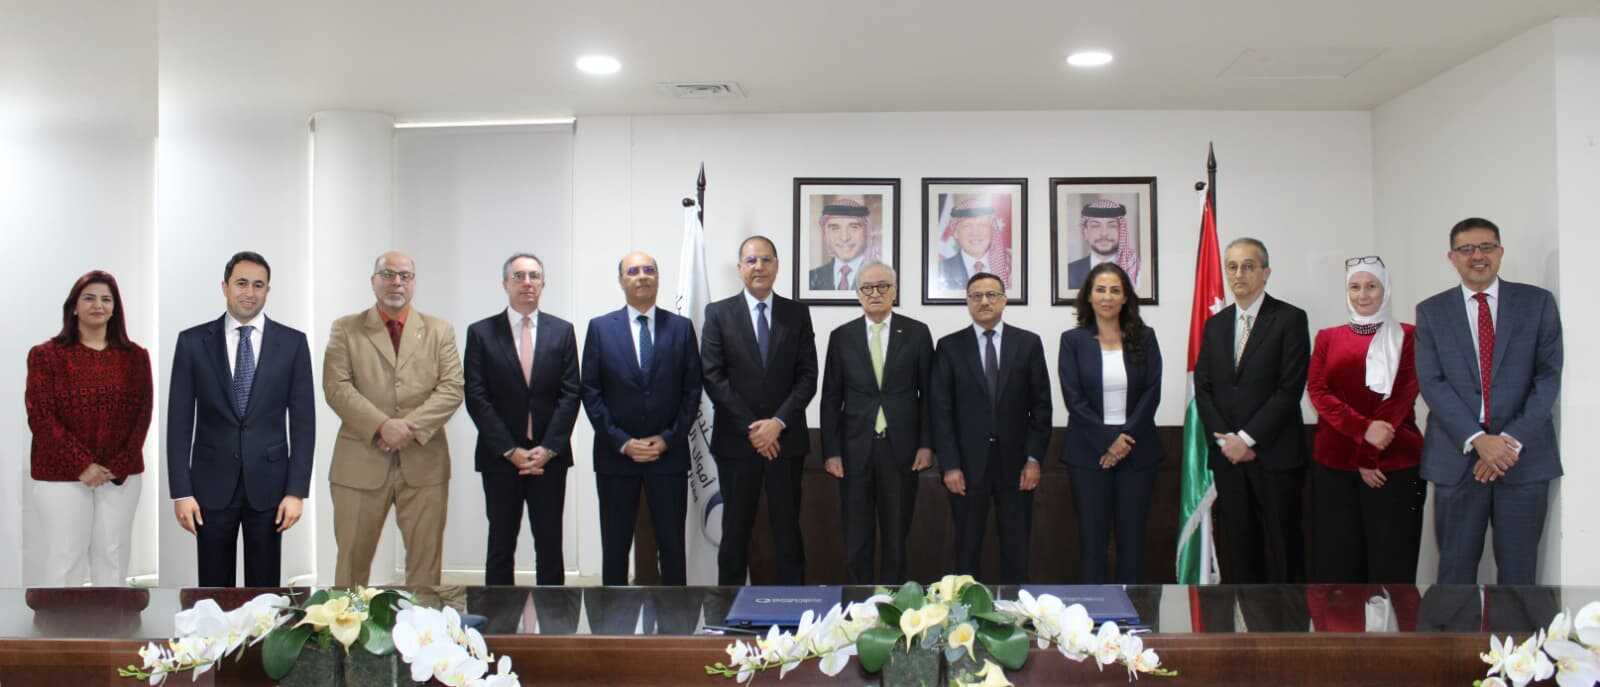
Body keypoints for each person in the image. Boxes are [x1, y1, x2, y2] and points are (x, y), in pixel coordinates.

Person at [1415, 218, 1563, 585]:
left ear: (1500, 252)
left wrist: (1506, 443)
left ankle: (1516, 631)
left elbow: (1547, 377)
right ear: (1452, 257)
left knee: (1519, 576)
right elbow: (1432, 382)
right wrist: (1479, 440)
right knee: (1454, 574)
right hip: (1457, 458)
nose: (1477, 256)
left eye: (1486, 247)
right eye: (1466, 249)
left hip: (1523, 461)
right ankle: (1458, 631)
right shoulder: (1431, 311)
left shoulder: (1537, 303)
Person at [167, 251, 315, 587]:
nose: (250, 292)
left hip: (271, 487)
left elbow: (304, 424)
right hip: (210, 485)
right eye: (242, 283)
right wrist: (181, 492)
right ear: (225, 287)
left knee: (264, 591)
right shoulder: (192, 343)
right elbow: (179, 423)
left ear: (268, 290)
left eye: (258, 285)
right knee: (213, 590)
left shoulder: (293, 343)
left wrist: (296, 491)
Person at [323, 251, 464, 586]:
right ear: (373, 281)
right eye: (387, 274)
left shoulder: (439, 330)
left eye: (404, 276)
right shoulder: (346, 329)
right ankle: (348, 620)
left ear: (413, 283)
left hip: (425, 463)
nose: (396, 282)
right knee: (351, 567)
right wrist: (382, 426)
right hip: (359, 463)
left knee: (425, 570)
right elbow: (336, 387)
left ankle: (423, 621)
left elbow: (452, 388)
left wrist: (407, 428)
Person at [700, 235, 818, 585]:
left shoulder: (797, 314)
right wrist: (755, 428)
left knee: (788, 531)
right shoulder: (718, 313)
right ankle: (728, 606)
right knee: (735, 532)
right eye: (751, 260)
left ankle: (794, 610)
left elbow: (808, 376)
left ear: (777, 266)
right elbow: (713, 376)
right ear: (740, 268)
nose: (759, 267)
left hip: (786, 442)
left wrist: (777, 423)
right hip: (737, 443)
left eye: (766, 260)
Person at [580, 251, 702, 586]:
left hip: (668, 457)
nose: (642, 276)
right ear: (621, 281)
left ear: (658, 277)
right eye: (633, 271)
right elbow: (590, 391)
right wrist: (622, 442)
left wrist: (668, 439)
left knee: (672, 547)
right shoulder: (600, 328)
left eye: (649, 269)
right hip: (616, 457)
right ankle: (612, 615)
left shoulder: (681, 328)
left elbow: (692, 391)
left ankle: (676, 616)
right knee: (615, 548)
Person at [24, 270, 152, 586]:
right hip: (61, 475)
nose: (98, 305)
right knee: (65, 559)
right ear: (74, 307)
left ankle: (111, 617)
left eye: (106, 299)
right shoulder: (46, 356)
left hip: (118, 474)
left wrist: (117, 465)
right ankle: (59, 619)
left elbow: (142, 414)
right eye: (89, 298)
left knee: (113, 558)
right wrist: (82, 464)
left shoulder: (136, 357)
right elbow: (41, 416)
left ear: (115, 308)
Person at [1194, 237, 1310, 583]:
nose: (1238, 274)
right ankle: (1244, 618)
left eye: (1248, 266)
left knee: (1283, 550)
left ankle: (1287, 618)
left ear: (1265, 272)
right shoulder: (1216, 325)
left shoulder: (1290, 319)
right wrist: (1227, 442)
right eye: (1232, 267)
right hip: (1229, 459)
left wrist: (1246, 439)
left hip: (1274, 456)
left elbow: (1289, 389)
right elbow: (1204, 388)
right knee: (1241, 552)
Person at [1305, 256, 1425, 584]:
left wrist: (1369, 455)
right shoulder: (1327, 337)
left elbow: (1403, 393)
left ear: (1385, 290)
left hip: (1394, 465)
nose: (1363, 294)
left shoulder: (1409, 335)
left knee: (1391, 563)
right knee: (1338, 564)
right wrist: (1363, 431)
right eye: (1355, 287)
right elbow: (1318, 391)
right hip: (1335, 466)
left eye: (1371, 286)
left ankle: (1389, 621)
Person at [931, 272, 1051, 584]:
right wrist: (950, 465)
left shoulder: (1028, 343)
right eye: (976, 296)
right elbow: (940, 411)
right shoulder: (949, 347)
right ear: (968, 302)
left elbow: (1041, 407)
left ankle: (1015, 609)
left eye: (991, 295)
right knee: (966, 550)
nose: (984, 301)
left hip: (1018, 465)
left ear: (1003, 300)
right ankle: (965, 610)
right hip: (966, 468)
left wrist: (1034, 459)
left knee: (1016, 548)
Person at [819, 261, 934, 584]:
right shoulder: (841, 337)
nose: (875, 293)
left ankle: (894, 602)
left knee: (897, 535)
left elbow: (930, 395)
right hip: (855, 450)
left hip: (902, 450)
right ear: (858, 294)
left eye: (883, 286)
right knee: (857, 536)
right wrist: (831, 451)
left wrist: (926, 444)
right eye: (867, 287)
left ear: (894, 291)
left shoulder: (917, 333)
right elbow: (830, 398)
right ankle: (860, 602)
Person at [1057, 263, 1162, 584]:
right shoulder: (1072, 340)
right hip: (1088, 454)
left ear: (1125, 297)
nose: (1107, 297)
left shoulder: (1145, 337)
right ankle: (1093, 613)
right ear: (1088, 296)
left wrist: (1124, 439)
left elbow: (1152, 392)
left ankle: (1133, 610)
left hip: (1138, 452)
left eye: (1115, 290)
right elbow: (1074, 399)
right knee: (1093, 543)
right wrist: (1108, 441)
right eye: (1100, 289)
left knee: (1133, 542)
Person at [938, 196, 1013, 292]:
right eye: (967, 226)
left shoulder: (1010, 268)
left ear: (992, 230)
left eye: (982, 225)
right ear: (955, 232)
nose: (975, 233)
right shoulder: (940, 270)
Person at [1066, 199, 1141, 291]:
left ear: (1121, 231)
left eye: (1112, 226)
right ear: (1085, 232)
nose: (1104, 233)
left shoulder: (1137, 271)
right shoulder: (1068, 272)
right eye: (1095, 226)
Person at [807, 196, 878, 291]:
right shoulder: (811, 278)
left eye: (854, 227)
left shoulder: (881, 276)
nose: (844, 238)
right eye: (835, 228)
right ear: (825, 234)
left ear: (867, 232)